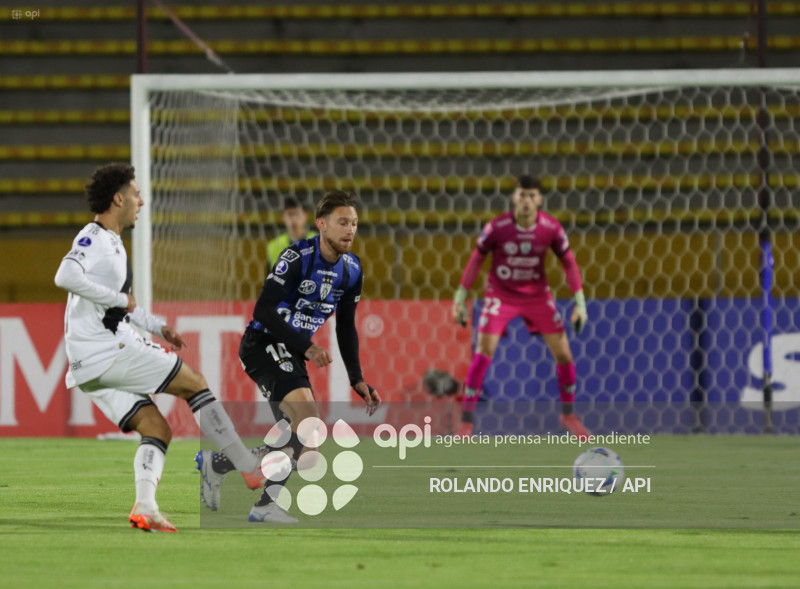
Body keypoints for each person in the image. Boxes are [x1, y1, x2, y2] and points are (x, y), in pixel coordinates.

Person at [54, 163, 264, 533]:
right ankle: (246, 466)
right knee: (195, 382)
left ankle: (146, 507)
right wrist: (120, 298)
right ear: (118, 198)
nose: (142, 201)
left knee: (157, 428)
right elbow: (65, 276)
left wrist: (157, 326)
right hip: (107, 352)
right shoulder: (95, 238)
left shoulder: (113, 243)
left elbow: (120, 307)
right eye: (135, 193)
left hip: (89, 366)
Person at [195, 189, 381, 523]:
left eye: (354, 223)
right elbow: (263, 310)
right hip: (262, 343)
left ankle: (222, 468)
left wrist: (357, 378)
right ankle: (263, 504)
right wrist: (308, 346)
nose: (350, 230)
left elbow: (346, 327)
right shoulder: (297, 258)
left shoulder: (352, 270)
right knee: (309, 419)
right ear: (321, 224)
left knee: (306, 447)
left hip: (291, 352)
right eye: (342, 222)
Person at [452, 174, 589, 439]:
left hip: (537, 296)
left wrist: (580, 303)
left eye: (531, 195)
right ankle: (466, 423)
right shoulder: (497, 227)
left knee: (563, 355)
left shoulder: (551, 228)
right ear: (514, 197)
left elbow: (569, 262)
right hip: (500, 295)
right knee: (483, 351)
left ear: (539, 199)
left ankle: (568, 415)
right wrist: (460, 297)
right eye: (522, 194)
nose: (526, 200)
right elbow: (476, 259)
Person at [266, 197, 316, 270]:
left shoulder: (318, 241)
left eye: (297, 214)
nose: (294, 219)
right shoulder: (274, 246)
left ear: (305, 216)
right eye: (290, 215)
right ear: (283, 218)